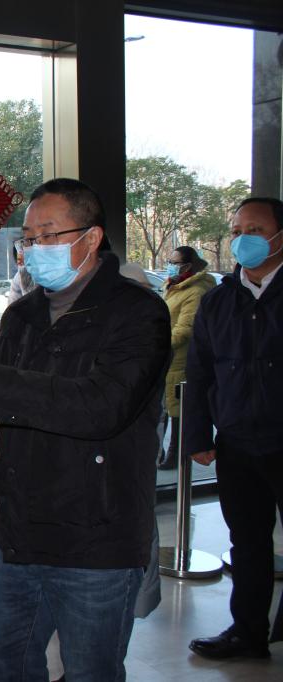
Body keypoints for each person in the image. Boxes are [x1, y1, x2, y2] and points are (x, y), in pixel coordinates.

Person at [0, 178, 170, 681]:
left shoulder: (138, 313)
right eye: (29, 239)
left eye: (49, 235)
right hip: (20, 529)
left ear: (91, 238)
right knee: (7, 663)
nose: (34, 249)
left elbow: (102, 407)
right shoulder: (24, 315)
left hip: (98, 535)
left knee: (91, 670)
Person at [185, 197, 283, 660]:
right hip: (238, 441)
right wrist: (197, 435)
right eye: (238, 230)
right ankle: (248, 632)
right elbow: (200, 371)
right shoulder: (219, 300)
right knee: (247, 542)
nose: (244, 239)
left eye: (255, 230)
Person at [157, 246, 216, 470]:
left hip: (182, 359)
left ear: (188, 265)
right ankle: (166, 453)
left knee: (179, 411)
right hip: (170, 359)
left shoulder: (195, 291)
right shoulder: (174, 286)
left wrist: (158, 345)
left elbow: (185, 329)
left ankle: (176, 455)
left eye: (174, 262)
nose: (170, 266)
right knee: (169, 409)